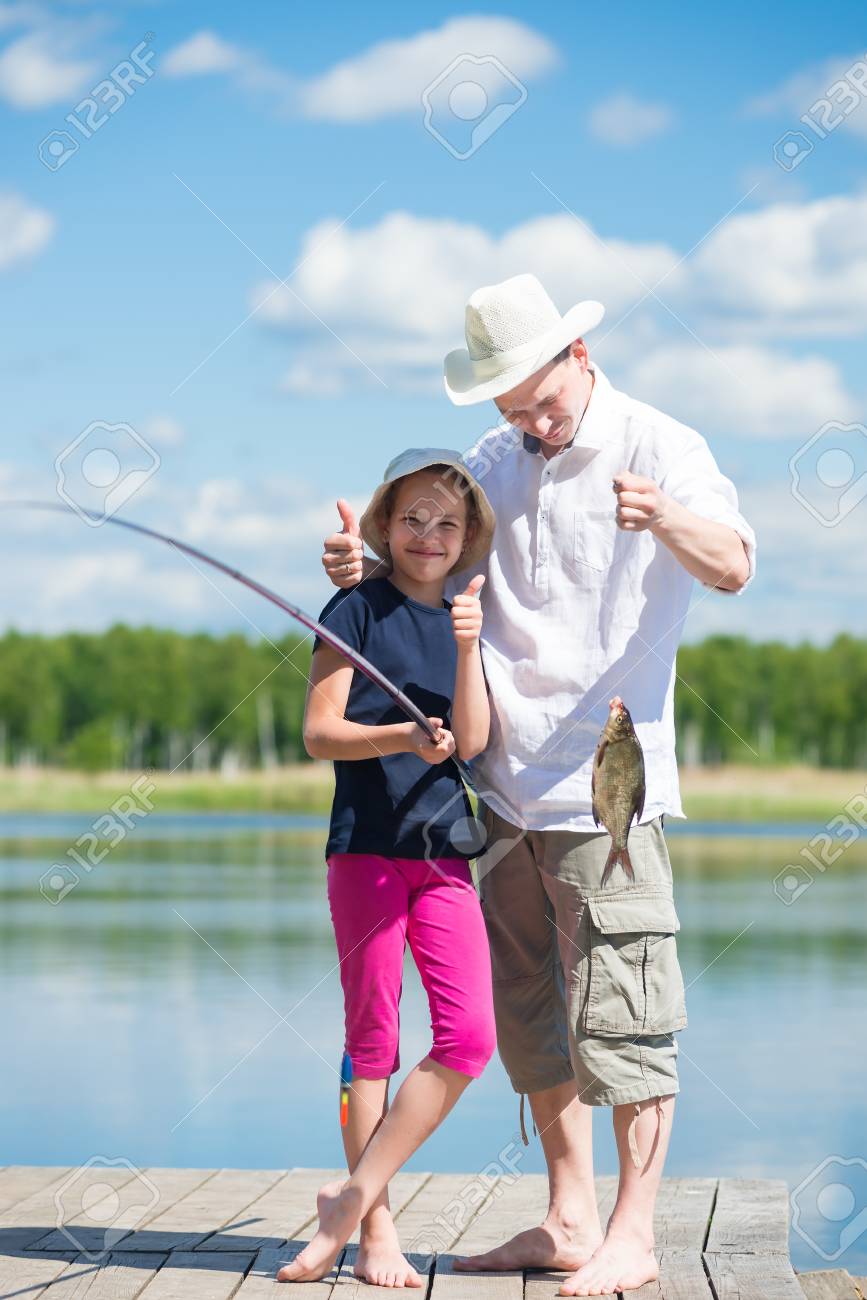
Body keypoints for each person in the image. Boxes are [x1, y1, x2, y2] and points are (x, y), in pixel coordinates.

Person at [321, 274, 757, 1297]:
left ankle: (634, 1232)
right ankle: (568, 1216)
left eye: (539, 400)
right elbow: (420, 542)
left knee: (630, 1012)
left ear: (581, 357)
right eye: (509, 408)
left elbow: (734, 563)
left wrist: (663, 521)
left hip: (610, 791)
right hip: (499, 797)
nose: (529, 422)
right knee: (529, 1012)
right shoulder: (496, 458)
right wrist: (357, 557)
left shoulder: (662, 446)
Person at [278, 449, 498, 1286]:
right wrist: (402, 737)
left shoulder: (467, 613)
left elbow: (471, 742)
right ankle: (374, 1232)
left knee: (469, 1037)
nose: (428, 534)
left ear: (467, 534)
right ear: (383, 524)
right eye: (412, 518)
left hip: (444, 858)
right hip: (365, 850)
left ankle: (351, 1195)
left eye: (447, 522)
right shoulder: (353, 608)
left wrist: (469, 651)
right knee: (370, 1043)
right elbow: (319, 733)